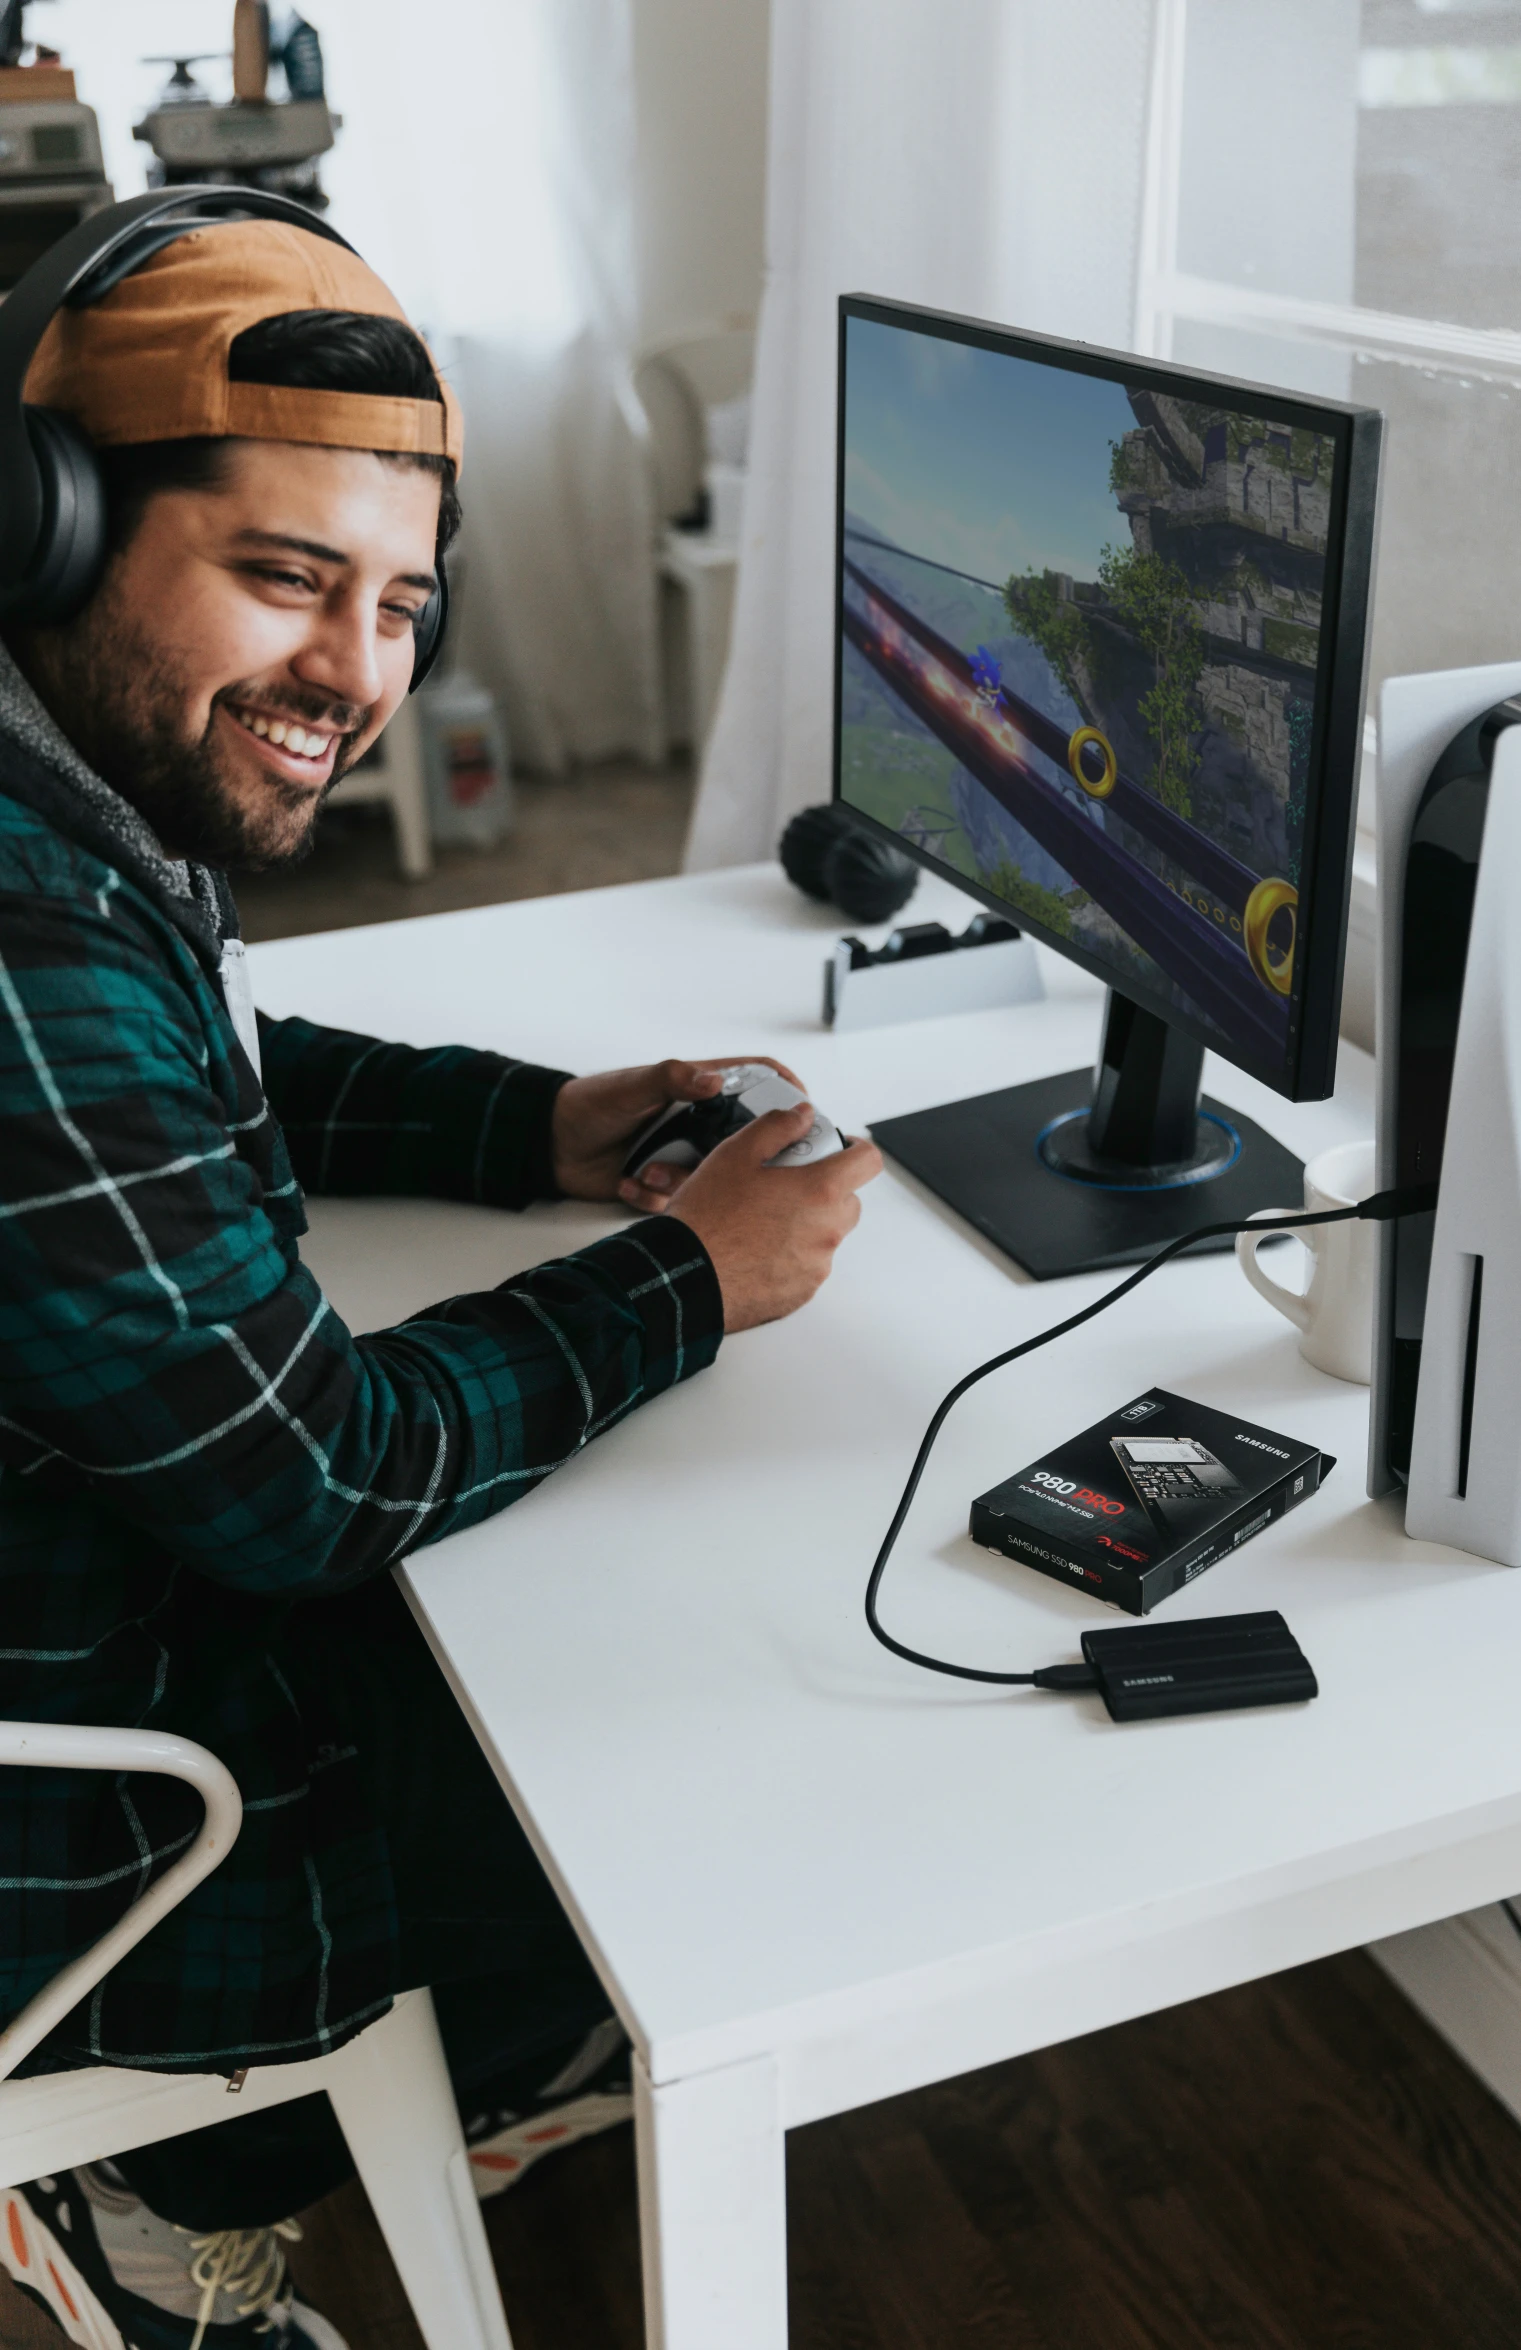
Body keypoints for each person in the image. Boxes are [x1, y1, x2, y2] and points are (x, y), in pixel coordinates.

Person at [0, 218, 880, 2350]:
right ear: (49, 531)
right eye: (288, 577)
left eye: (404, 601)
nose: (358, 673)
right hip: (76, 1811)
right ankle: (171, 2172)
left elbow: (206, 1066)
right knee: (686, 1754)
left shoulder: (72, 800)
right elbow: (314, 1479)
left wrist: (541, 1123)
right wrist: (687, 1271)